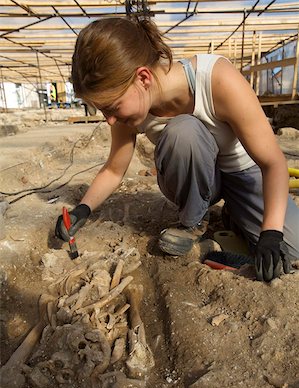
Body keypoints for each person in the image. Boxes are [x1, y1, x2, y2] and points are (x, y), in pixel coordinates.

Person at [55, 16, 299, 282]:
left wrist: (271, 233)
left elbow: (272, 163)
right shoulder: (129, 108)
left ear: (143, 78)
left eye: (111, 108)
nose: (109, 120)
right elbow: (114, 169)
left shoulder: (217, 79)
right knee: (184, 132)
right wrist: (83, 209)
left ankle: (235, 213)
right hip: (197, 180)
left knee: (292, 252)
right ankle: (194, 220)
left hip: (243, 173)